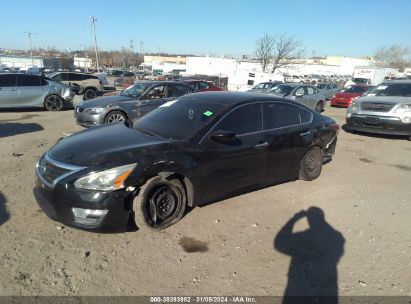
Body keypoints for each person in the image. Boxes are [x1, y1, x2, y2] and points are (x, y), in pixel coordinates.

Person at [274, 207, 345, 304]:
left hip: (299, 289)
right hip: (327, 287)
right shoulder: (337, 236)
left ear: (308, 219)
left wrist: (294, 219)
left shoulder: (304, 236)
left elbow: (279, 244)